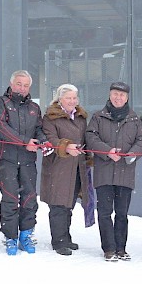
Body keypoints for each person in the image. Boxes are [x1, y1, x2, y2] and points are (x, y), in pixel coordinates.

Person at [0, 70, 52, 256]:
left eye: (25, 85)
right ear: (12, 83)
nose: (22, 88)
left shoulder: (34, 107)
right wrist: (25, 141)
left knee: (29, 197)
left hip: (27, 160)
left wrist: (42, 141)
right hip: (6, 158)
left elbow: (39, 129)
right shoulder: (1, 103)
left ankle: (26, 234)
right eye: (19, 84)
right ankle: (10, 237)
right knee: (10, 198)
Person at [85, 81, 142, 262]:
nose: (118, 98)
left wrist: (132, 154)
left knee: (122, 213)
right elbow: (90, 137)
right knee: (104, 212)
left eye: (122, 95)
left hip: (125, 172)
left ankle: (121, 248)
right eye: (115, 94)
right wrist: (107, 151)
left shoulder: (135, 119)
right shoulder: (98, 116)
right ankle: (109, 248)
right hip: (104, 173)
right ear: (110, 95)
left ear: (127, 98)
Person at [40, 83, 89, 256]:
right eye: (68, 98)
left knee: (69, 204)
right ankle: (59, 241)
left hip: (76, 168)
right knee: (58, 205)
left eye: (74, 97)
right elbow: (50, 137)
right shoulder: (50, 117)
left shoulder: (81, 117)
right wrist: (66, 146)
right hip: (58, 167)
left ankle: (66, 237)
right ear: (60, 99)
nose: (72, 101)